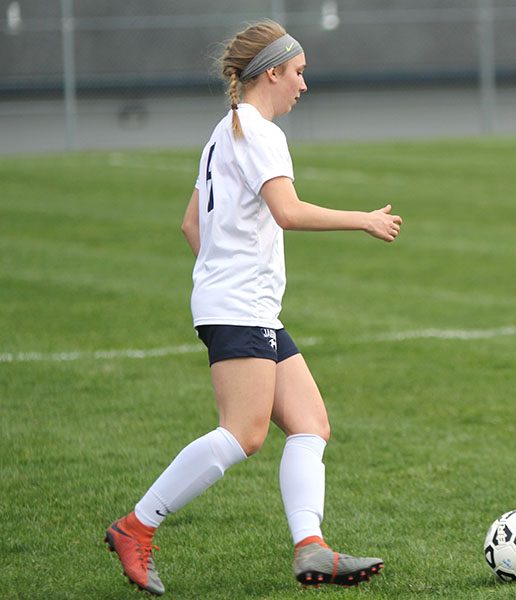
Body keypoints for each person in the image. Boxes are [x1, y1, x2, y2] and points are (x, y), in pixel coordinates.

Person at [105, 20, 402, 595]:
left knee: (311, 423)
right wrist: (363, 219)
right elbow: (286, 211)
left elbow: (193, 224)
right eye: (298, 72)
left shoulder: (223, 131)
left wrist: (223, 277)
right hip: (241, 305)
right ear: (272, 73)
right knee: (243, 433)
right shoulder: (261, 133)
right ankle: (135, 527)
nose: (303, 85)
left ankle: (311, 547)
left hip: (245, 304)